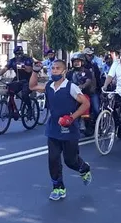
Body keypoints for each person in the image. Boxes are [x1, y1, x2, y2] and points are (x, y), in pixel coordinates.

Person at [29, 59, 92, 201]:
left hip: (69, 129)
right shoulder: (49, 85)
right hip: (53, 129)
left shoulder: (71, 87)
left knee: (70, 161)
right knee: (53, 159)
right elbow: (32, 86)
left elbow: (85, 103)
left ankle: (84, 168)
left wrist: (72, 117)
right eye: (53, 68)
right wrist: (35, 71)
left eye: (58, 68)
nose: (54, 71)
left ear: (64, 71)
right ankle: (58, 187)